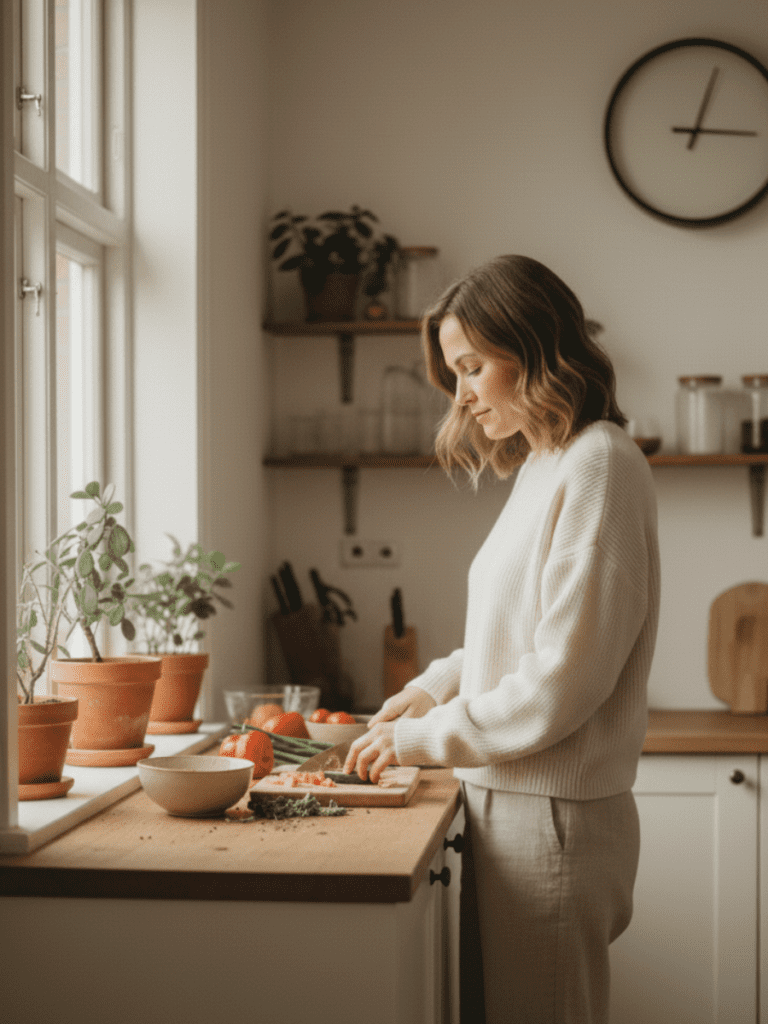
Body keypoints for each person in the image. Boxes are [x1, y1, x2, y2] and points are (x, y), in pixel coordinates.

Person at [344, 254, 660, 1024]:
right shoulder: (547, 461)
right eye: (454, 373)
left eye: (473, 367)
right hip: (512, 807)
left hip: (552, 822)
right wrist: (432, 687)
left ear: (537, 348)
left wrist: (422, 739)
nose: (462, 395)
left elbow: (563, 680)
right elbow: (518, 635)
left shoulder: (600, 464)